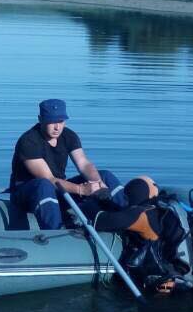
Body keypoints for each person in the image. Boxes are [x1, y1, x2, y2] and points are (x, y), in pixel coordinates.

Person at [9, 98, 126, 230]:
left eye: (60, 121)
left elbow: (83, 164)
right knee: (44, 184)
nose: (57, 127)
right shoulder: (29, 141)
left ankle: (126, 217)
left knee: (105, 175)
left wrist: (98, 183)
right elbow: (49, 179)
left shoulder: (68, 136)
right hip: (27, 193)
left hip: (56, 190)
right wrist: (81, 190)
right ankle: (54, 232)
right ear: (40, 119)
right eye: (51, 121)